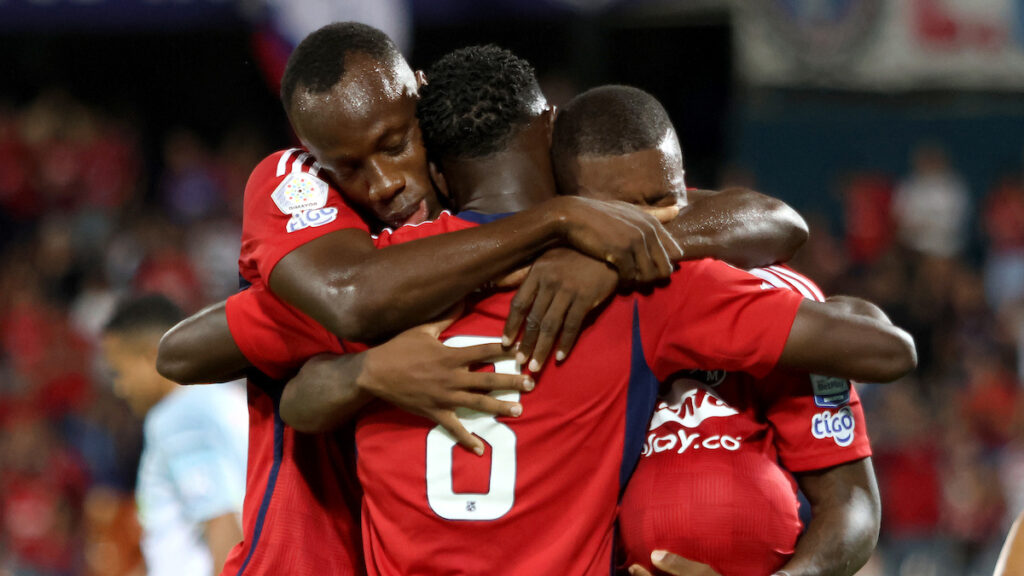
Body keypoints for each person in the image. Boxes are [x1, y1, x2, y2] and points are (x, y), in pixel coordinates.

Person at [218, 47, 914, 575]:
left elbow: (239, 374)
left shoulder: (387, 281)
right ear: (550, 132)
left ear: (437, 169)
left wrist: (366, 372)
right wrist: (601, 246)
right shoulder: (647, 290)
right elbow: (884, 350)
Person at [551, 86, 882, 576]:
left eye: (665, 200)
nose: (648, 225)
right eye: (622, 212)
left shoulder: (764, 296)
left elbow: (850, 501)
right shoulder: (547, 307)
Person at [99, 295, 247, 576]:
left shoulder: (178, 416)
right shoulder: (224, 398)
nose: (120, 388)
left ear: (150, 355)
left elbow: (221, 520)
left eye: (119, 372)